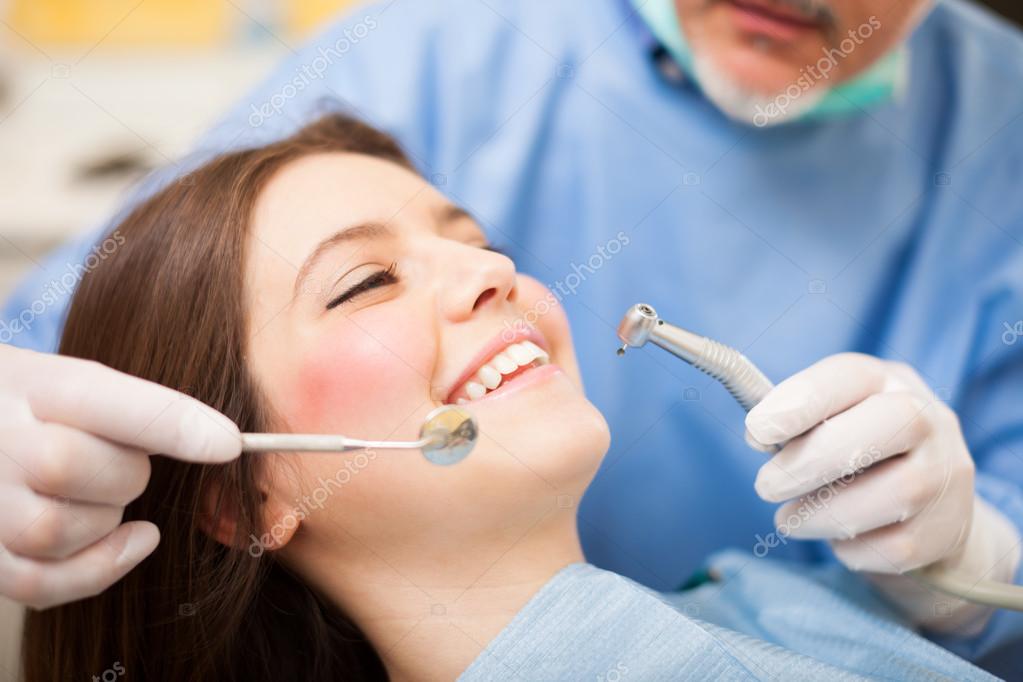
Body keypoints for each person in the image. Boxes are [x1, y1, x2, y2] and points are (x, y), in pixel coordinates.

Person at [2, 0, 1022, 673]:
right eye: (365, 280)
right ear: (237, 491)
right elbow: (95, 343)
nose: (492, 269)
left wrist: (964, 566)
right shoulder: (451, 39)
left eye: (480, 236)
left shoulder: (771, 605)